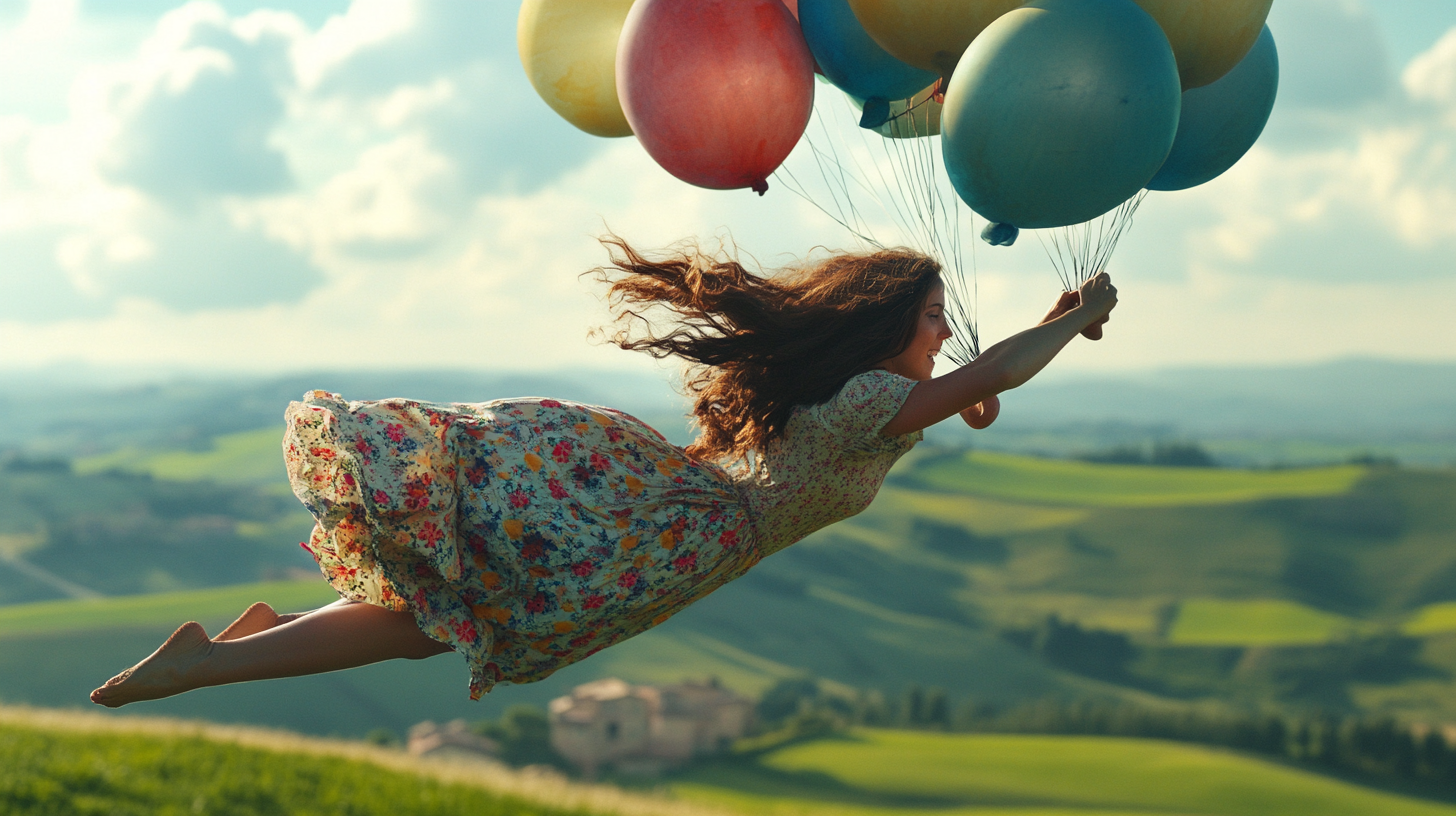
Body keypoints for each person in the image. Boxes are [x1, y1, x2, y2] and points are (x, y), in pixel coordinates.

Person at [90, 237, 1116, 708]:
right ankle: (213, 662)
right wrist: (1067, 324)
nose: (944, 333)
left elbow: (980, 392)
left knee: (440, 622)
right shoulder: (867, 400)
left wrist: (1037, 335)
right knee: (454, 620)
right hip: (669, 535)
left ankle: (250, 647)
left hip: (667, 514)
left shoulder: (871, 396)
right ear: (891, 323)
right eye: (933, 318)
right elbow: (995, 379)